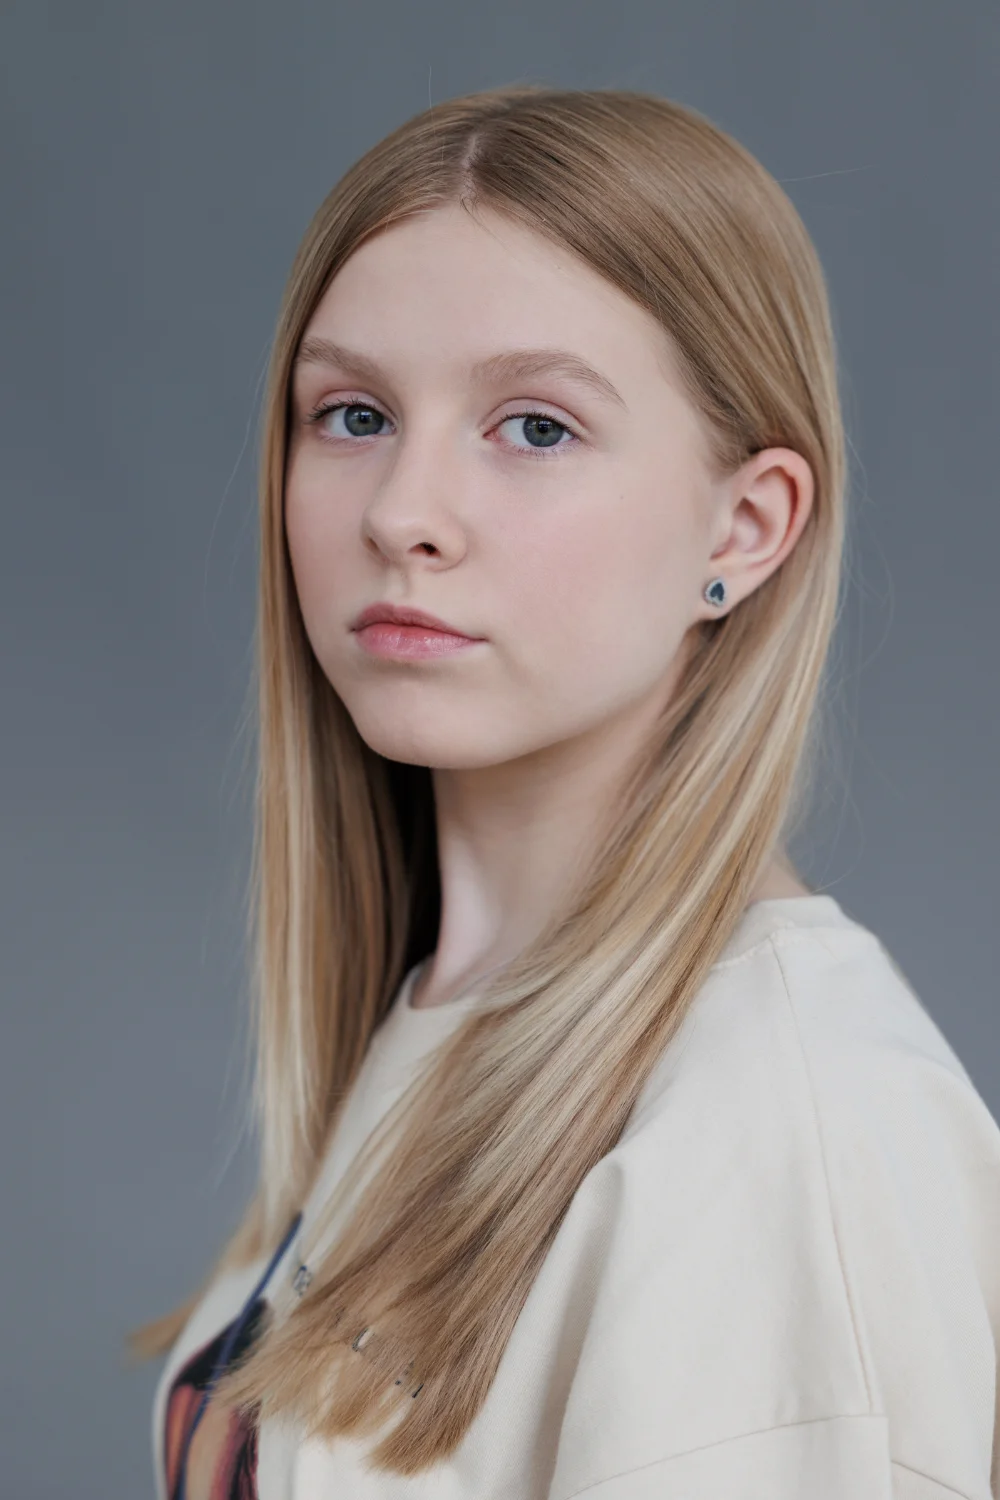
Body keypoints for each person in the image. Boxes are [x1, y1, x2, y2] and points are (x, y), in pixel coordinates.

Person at [134, 86, 1000, 1499]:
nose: (401, 512)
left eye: (534, 428)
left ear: (746, 526)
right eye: (353, 413)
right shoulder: (436, 1022)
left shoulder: (789, 1137)